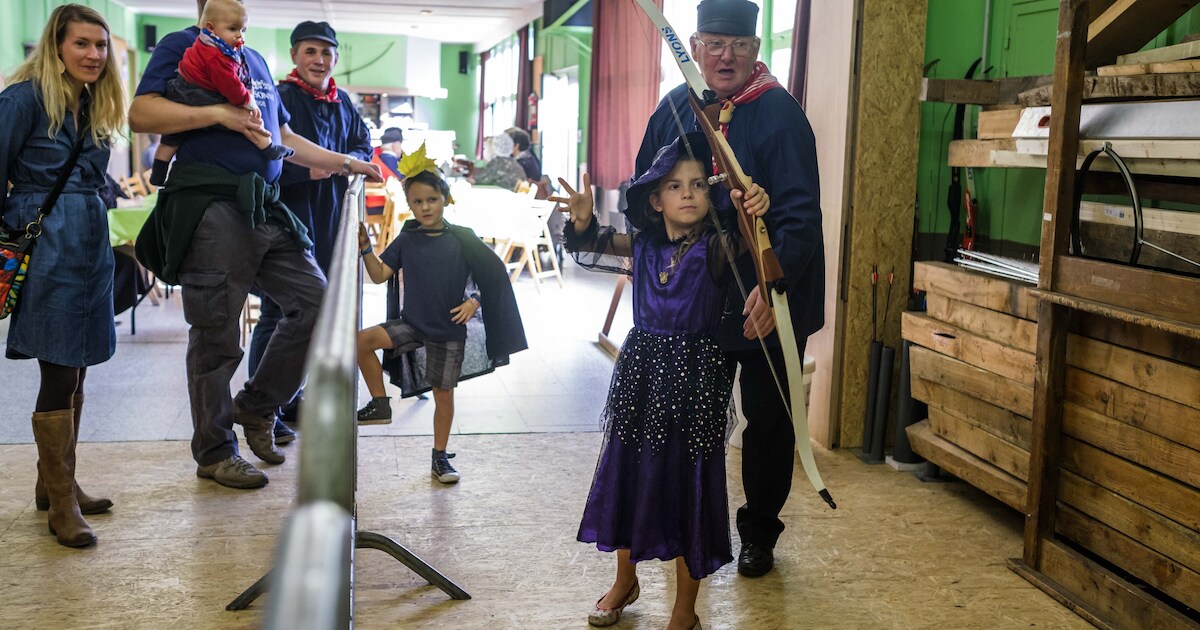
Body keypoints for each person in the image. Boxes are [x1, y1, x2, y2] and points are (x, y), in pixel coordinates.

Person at [130, 0, 382, 490]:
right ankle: (215, 451)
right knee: (217, 332)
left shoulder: (257, 60)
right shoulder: (181, 45)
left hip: (266, 204)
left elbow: (284, 134)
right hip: (212, 203)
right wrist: (218, 114)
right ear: (204, 11)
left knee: (317, 304)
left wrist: (347, 163)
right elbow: (141, 112)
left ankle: (257, 407)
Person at [635, 0, 824, 578]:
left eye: (739, 45)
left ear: (756, 50)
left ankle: (759, 531)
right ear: (693, 46)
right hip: (700, 301)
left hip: (770, 300)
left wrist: (772, 292)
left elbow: (799, 220)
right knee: (694, 419)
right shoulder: (675, 109)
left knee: (768, 422)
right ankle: (689, 521)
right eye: (714, 43)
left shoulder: (781, 115)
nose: (726, 56)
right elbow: (646, 193)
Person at [558, 133, 767, 630]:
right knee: (629, 473)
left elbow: (754, 242)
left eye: (698, 184)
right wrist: (583, 218)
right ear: (656, 198)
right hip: (641, 375)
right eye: (675, 185)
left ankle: (684, 611)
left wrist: (750, 202)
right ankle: (624, 580)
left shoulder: (717, 249)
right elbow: (590, 247)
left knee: (688, 485)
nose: (688, 193)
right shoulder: (645, 244)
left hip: (698, 378)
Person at [0, 3, 126, 547]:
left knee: (78, 363)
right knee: (58, 365)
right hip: (45, 240)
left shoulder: (94, 100)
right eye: (82, 44)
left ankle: (56, 485)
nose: (94, 55)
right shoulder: (22, 99)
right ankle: (61, 504)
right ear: (56, 46)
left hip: (89, 239)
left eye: (101, 46)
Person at [356, 147, 527, 484]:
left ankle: (440, 457)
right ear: (410, 204)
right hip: (411, 325)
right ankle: (380, 403)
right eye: (417, 202)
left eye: (431, 200)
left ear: (445, 199)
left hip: (448, 330)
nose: (425, 207)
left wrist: (474, 301)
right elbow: (378, 275)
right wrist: (365, 247)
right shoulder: (407, 238)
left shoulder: (461, 238)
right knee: (361, 341)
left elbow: (493, 276)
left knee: (442, 394)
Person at [246, 20, 373, 444]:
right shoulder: (279, 98)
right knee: (276, 314)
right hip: (287, 222)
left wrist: (342, 161)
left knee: (317, 316)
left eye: (326, 53)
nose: (319, 60)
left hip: (332, 222)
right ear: (295, 56)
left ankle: (294, 396)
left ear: (335, 58)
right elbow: (264, 155)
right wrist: (311, 170)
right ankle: (265, 409)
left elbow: (362, 145)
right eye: (310, 52)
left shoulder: (343, 103)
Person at [147, 0, 291, 186]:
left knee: (170, 141)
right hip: (212, 195)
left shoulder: (250, 57)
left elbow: (283, 132)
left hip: (258, 198)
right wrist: (240, 105)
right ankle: (269, 149)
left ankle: (158, 172)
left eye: (243, 30)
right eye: (233, 29)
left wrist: (340, 162)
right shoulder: (207, 51)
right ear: (211, 27)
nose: (239, 35)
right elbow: (232, 87)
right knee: (250, 121)